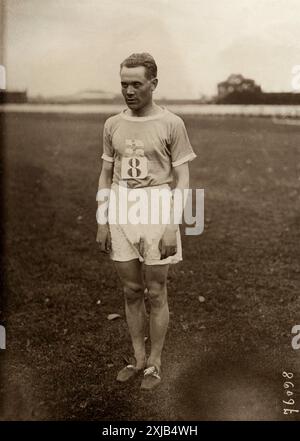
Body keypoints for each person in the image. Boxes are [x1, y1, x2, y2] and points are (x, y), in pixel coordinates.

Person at [96, 53, 196, 390]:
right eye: (124, 84)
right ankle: (137, 358)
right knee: (131, 289)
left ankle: (155, 362)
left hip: (156, 205)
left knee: (156, 290)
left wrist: (171, 224)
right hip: (122, 205)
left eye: (136, 84)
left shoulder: (172, 123)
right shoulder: (112, 124)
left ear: (153, 83)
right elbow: (106, 172)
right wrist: (102, 220)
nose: (129, 90)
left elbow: (182, 179)